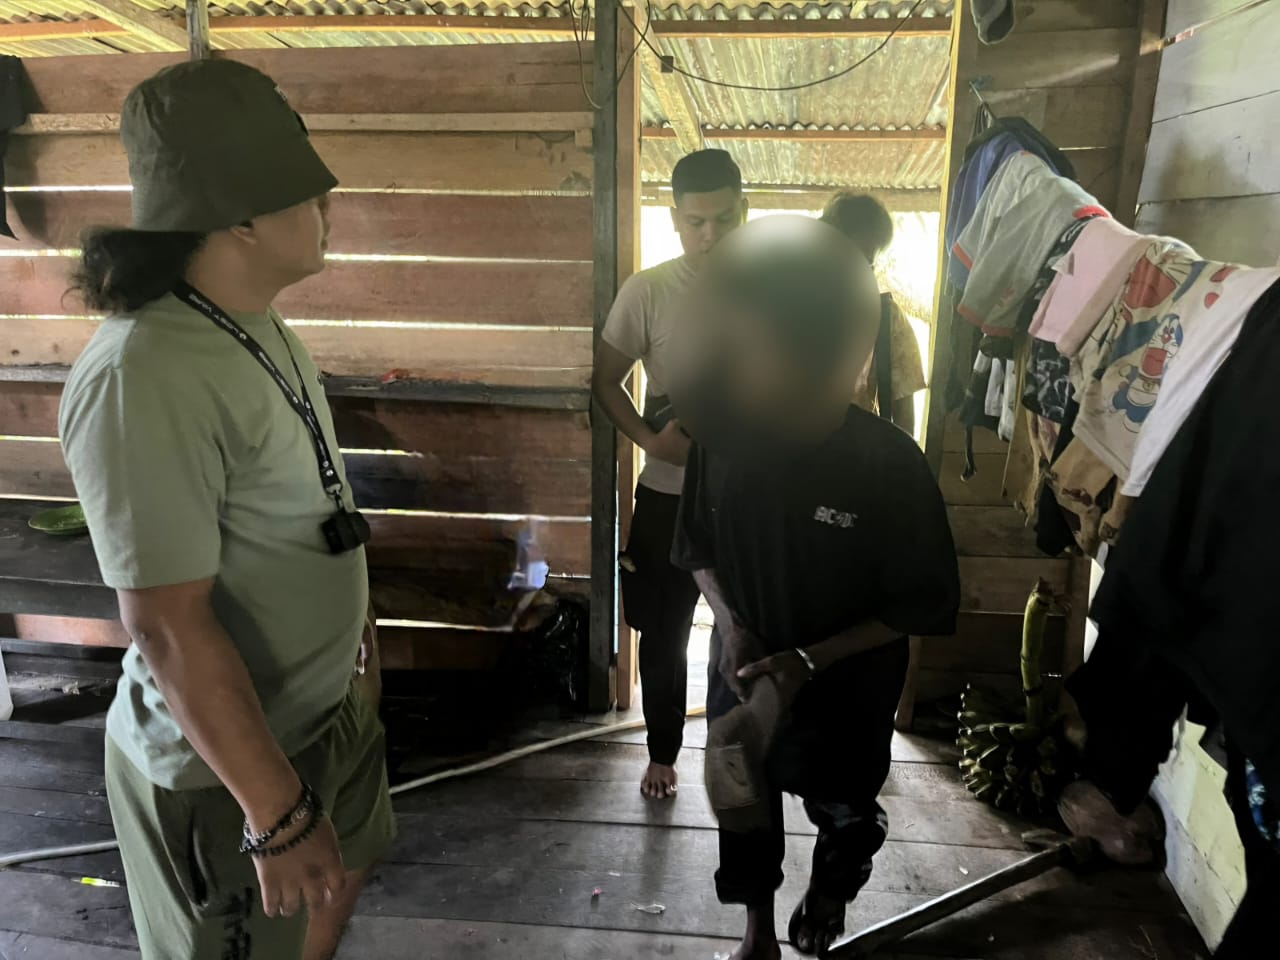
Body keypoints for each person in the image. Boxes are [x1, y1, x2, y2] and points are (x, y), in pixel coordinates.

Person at [59, 59, 393, 960]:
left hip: (322, 715)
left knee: (341, 880)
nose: (328, 207)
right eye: (310, 193)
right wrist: (275, 811)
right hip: (227, 775)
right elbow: (166, 626)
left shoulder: (253, 322)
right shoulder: (141, 373)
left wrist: (352, 648)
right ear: (240, 217)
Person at [668, 216, 960, 959]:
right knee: (742, 800)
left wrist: (809, 661)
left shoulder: (889, 465)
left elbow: (914, 604)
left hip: (847, 688)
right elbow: (697, 550)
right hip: (744, 666)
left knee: (847, 814)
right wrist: (731, 626)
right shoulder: (720, 439)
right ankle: (757, 934)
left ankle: (832, 888)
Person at [592, 148, 748, 799]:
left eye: (724, 220)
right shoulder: (649, 290)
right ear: (674, 218)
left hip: (745, 497)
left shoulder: (770, 290)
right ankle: (662, 754)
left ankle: (739, 751)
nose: (709, 235)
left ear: (746, 211)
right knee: (664, 633)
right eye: (695, 222)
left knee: (745, 629)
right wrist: (651, 440)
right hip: (667, 494)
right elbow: (606, 381)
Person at [821, 192, 927, 435]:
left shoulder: (888, 320)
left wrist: (899, 458)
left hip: (858, 451)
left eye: (865, 262)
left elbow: (904, 421)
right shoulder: (788, 308)